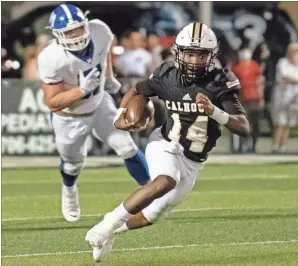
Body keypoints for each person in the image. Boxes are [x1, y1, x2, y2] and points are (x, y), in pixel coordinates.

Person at [85, 22, 250, 262]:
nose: (194, 60)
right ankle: (106, 223)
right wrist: (122, 115)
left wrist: (213, 110)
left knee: (150, 216)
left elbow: (243, 127)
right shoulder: (166, 74)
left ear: (211, 56)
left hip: (194, 160)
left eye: (200, 54)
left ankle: (111, 231)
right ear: (178, 52)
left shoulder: (220, 82)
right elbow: (138, 90)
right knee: (164, 181)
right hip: (165, 142)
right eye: (189, 53)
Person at [38, 4, 150, 223]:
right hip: (70, 117)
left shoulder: (100, 31)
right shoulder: (51, 57)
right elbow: (52, 102)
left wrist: (108, 76)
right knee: (73, 163)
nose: (75, 34)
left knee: (126, 146)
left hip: (100, 104)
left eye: (78, 28)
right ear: (57, 34)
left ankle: (153, 190)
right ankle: (69, 190)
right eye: (69, 32)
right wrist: (81, 91)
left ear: (86, 24)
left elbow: (104, 51)